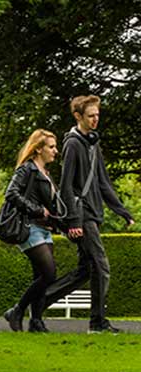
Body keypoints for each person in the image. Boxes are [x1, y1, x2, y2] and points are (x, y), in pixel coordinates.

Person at [43, 95, 133, 334]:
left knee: (86, 270)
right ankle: (98, 323)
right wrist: (73, 221)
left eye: (97, 115)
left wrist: (122, 211)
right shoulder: (73, 144)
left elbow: (103, 182)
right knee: (102, 266)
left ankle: (34, 303)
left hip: (93, 213)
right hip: (83, 216)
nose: (95, 120)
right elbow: (66, 184)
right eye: (90, 116)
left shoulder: (93, 144)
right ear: (78, 117)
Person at [2, 129, 63, 333]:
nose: (56, 151)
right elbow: (11, 193)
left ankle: (36, 322)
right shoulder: (27, 169)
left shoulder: (46, 173)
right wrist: (37, 210)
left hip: (45, 230)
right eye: (51, 147)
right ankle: (17, 311)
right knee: (49, 274)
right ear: (38, 149)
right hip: (30, 227)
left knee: (41, 276)